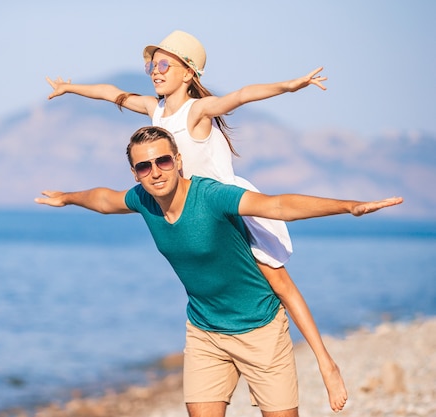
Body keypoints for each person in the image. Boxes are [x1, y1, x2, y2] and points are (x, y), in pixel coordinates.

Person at [46, 30, 348, 411]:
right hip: (191, 212)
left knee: (278, 281)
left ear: (188, 73)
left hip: (227, 209)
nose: (154, 70)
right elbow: (112, 93)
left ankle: (326, 363)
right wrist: (70, 88)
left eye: (163, 63)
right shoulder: (153, 110)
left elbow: (240, 96)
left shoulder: (197, 111)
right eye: (151, 64)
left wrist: (290, 86)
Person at [35, 126, 403, 417]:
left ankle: (328, 367)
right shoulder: (143, 200)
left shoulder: (211, 196)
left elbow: (277, 205)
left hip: (259, 329)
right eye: (143, 167)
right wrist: (67, 197)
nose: (155, 172)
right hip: (205, 332)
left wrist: (349, 207)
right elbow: (103, 199)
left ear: (178, 160)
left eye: (163, 161)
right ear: (136, 173)